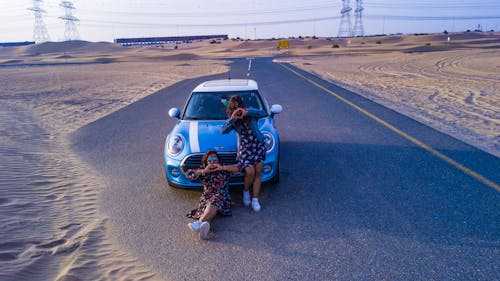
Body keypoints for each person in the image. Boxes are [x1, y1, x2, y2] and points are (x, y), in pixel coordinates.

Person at [221, 95, 267, 212]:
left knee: (258, 172)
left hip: (257, 145)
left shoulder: (251, 113)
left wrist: (248, 112)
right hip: (245, 149)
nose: (238, 109)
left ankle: (255, 199)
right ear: (232, 109)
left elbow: (263, 113)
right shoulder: (234, 121)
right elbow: (223, 131)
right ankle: (246, 191)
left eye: (239, 106)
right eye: (235, 107)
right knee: (250, 172)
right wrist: (233, 118)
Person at [185, 149, 240, 240]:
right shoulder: (204, 171)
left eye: (215, 160)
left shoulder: (224, 170)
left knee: (215, 201)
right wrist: (204, 171)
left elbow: (238, 168)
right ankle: (204, 230)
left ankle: (199, 222)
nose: (212, 162)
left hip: (222, 196)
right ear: (206, 162)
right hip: (207, 197)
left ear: (218, 160)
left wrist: (222, 168)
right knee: (211, 206)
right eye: (209, 161)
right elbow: (188, 175)